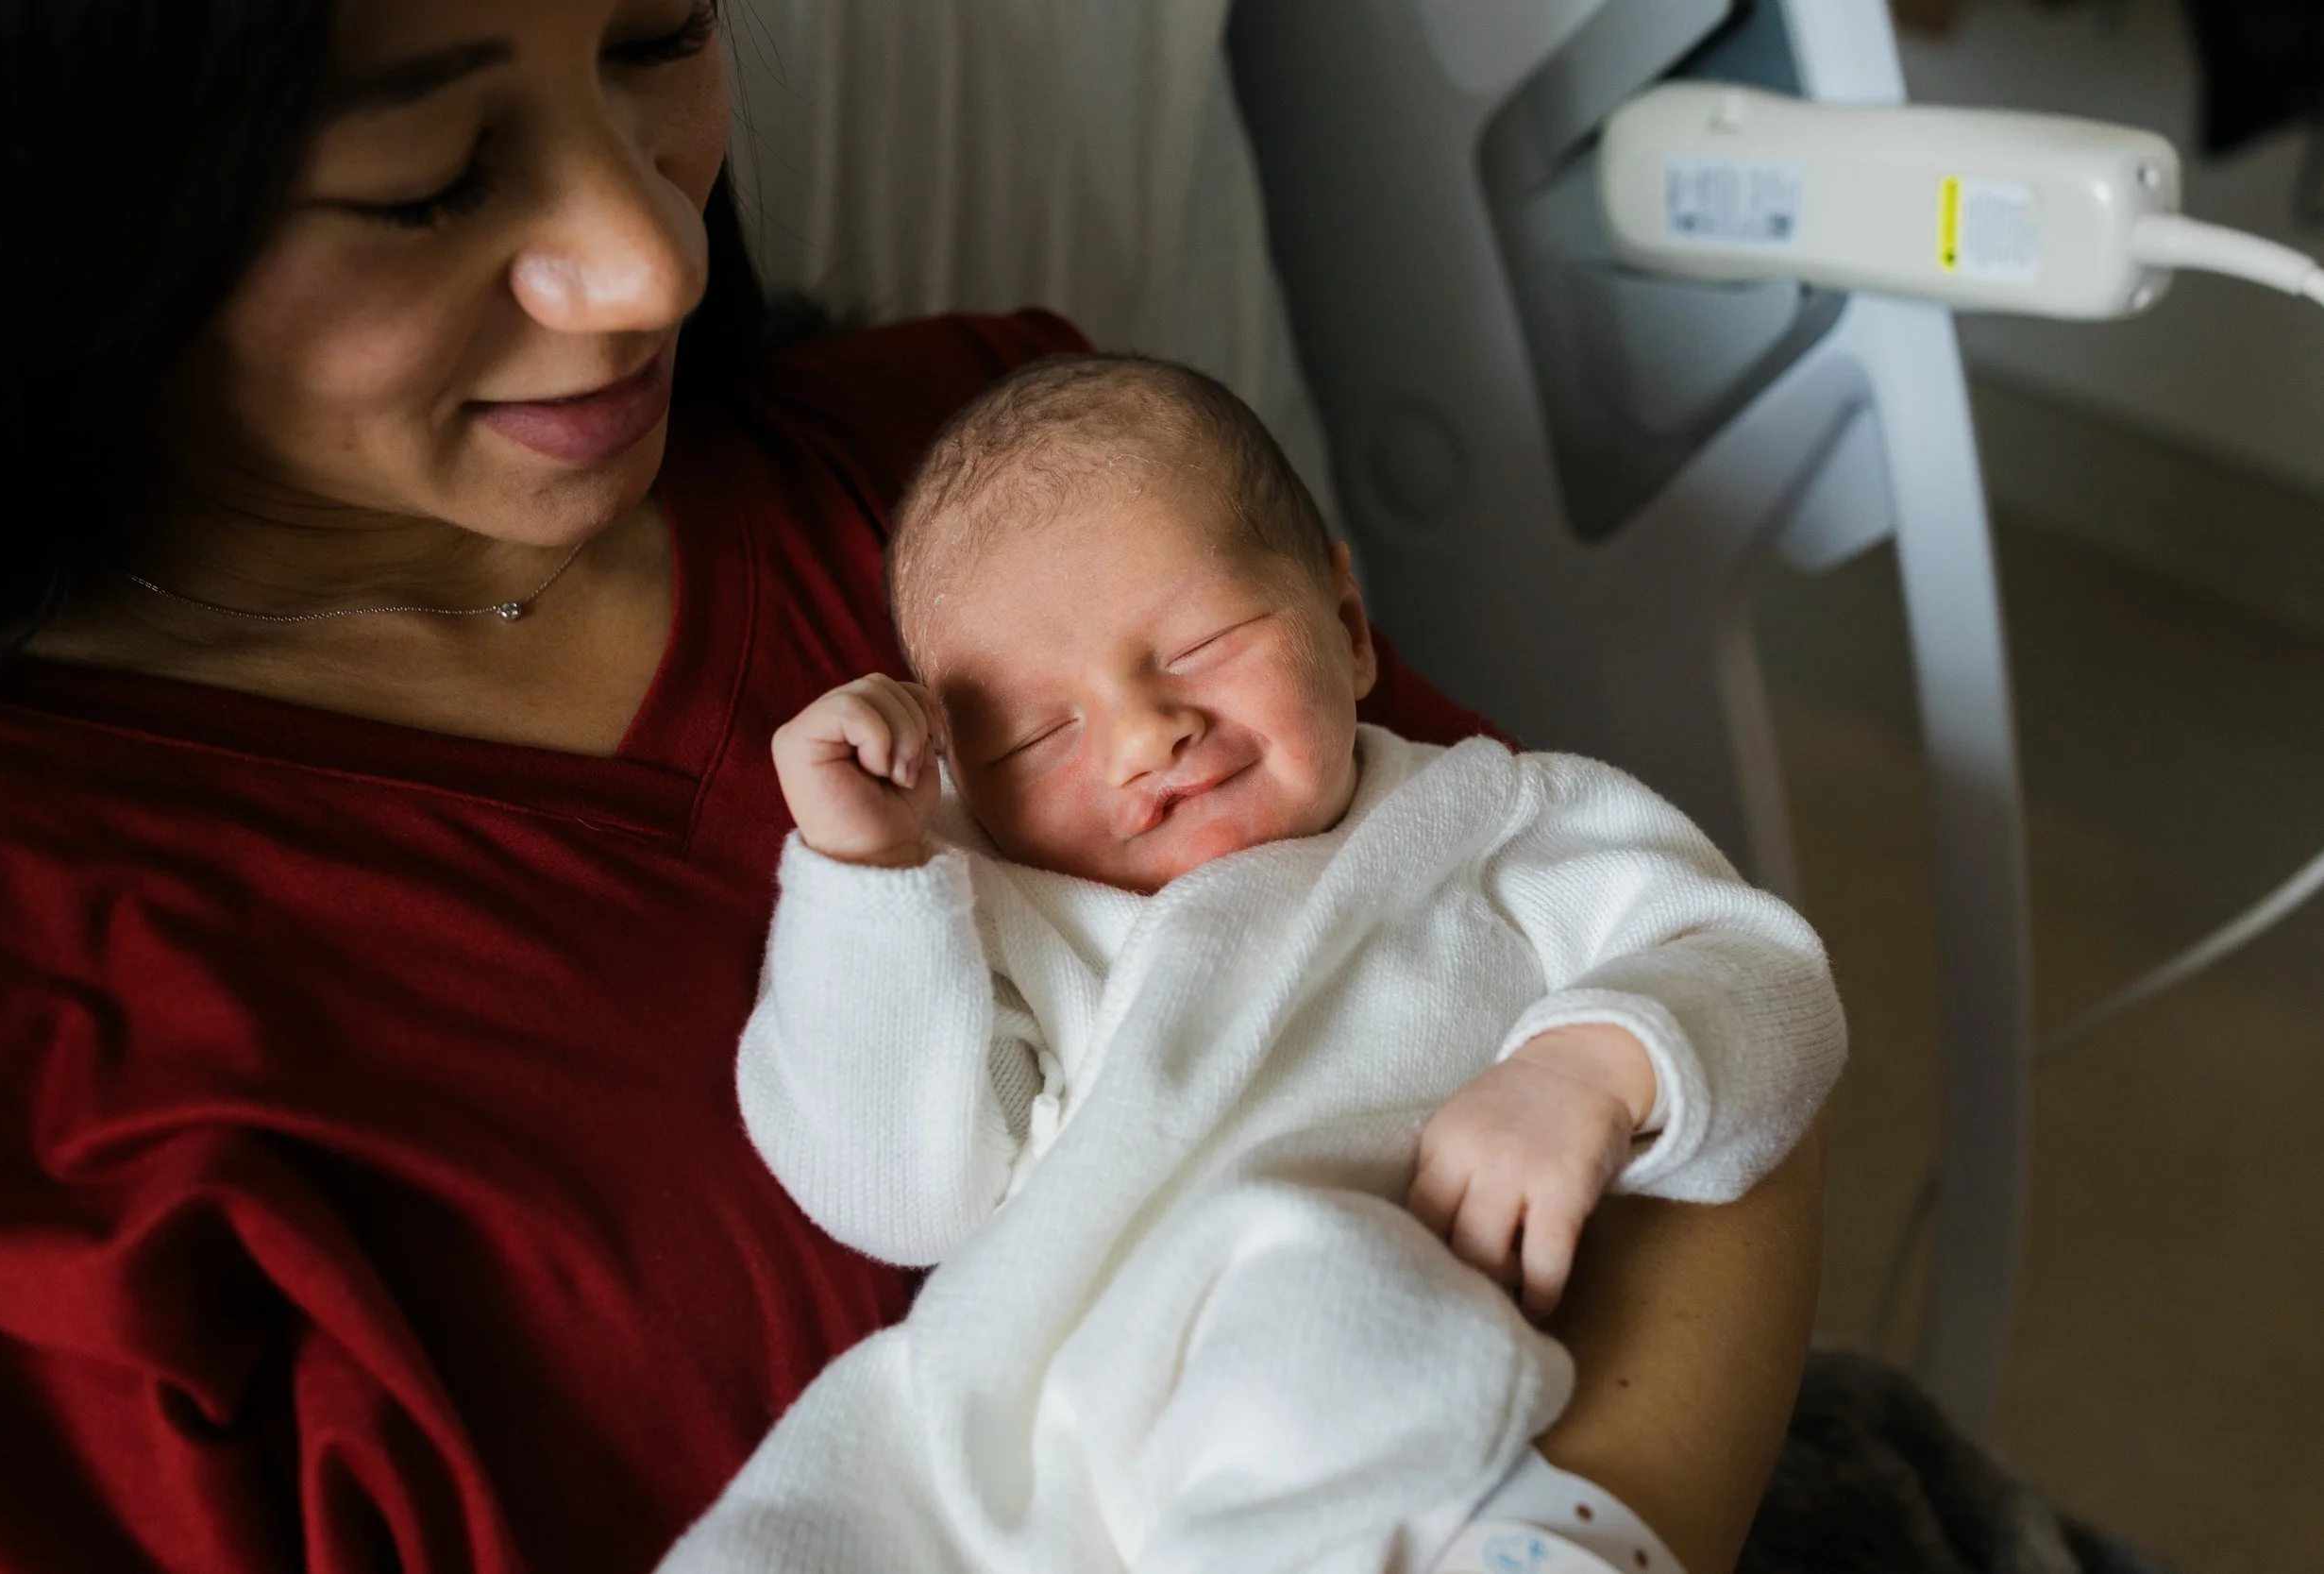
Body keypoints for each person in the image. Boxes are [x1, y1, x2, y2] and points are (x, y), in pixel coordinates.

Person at [0, 3, 1827, 1572]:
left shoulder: (1029, 487)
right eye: (428, 176)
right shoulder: (42, 1020)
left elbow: (1680, 1016)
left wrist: (1576, 1527)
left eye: (657, 39)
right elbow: (893, 1167)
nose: (651, 260)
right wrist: (870, 890)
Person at [661, 356, 1846, 1574]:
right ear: (967, 773)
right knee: (817, 1501)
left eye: (1201, 643)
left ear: (1345, 627)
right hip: (1017, 1419)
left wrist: (1588, 1069)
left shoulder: (1498, 824)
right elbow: (897, 1197)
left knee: (1332, 1307)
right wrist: (866, 881)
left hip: (1338, 1346)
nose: (1141, 735)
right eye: (1040, 731)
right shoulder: (1006, 914)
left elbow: (1758, 965)